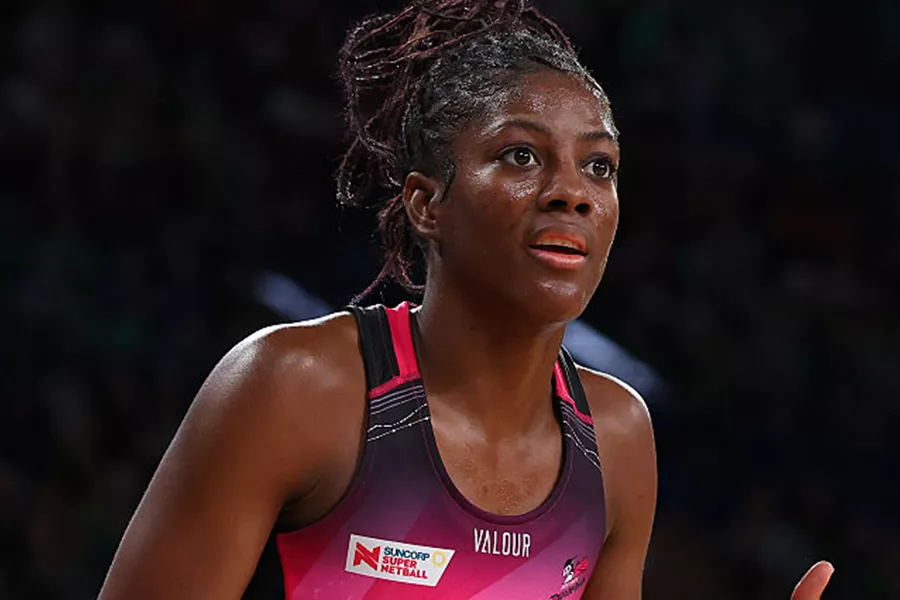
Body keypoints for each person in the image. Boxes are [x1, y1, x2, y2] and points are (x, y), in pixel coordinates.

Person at [98, 1, 834, 598]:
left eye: (599, 166)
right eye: (521, 155)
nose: (572, 193)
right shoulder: (295, 386)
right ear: (426, 204)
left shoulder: (618, 436)